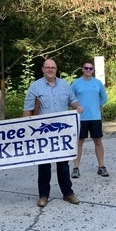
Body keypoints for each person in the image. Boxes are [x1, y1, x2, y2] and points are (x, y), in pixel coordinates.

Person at [22, 59, 84, 207]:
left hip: (62, 133)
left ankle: (68, 193)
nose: (50, 70)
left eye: (53, 67)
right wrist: (25, 128)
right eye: (47, 67)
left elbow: (73, 101)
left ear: (56, 69)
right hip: (44, 133)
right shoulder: (35, 87)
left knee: (63, 164)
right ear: (42, 69)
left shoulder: (64, 85)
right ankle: (43, 195)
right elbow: (27, 109)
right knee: (44, 165)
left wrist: (77, 107)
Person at [70, 61, 109, 178]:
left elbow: (104, 98)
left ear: (93, 70)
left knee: (98, 141)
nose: (88, 70)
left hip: (95, 117)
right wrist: (76, 107)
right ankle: (76, 168)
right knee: (79, 142)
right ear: (82, 69)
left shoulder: (98, 83)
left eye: (90, 68)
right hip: (80, 118)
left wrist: (97, 105)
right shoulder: (76, 83)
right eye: (86, 68)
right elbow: (70, 98)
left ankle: (101, 166)